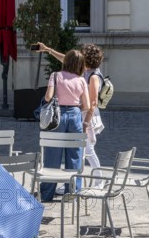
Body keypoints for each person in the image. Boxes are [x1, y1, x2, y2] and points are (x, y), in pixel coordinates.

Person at [38, 42, 105, 189]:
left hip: (87, 117)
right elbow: (66, 59)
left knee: (85, 150)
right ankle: (72, 187)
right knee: (78, 152)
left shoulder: (92, 76)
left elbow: (92, 105)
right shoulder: (82, 74)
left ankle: (99, 180)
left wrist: (85, 124)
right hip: (78, 114)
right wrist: (49, 50)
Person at [39, 49, 90, 202]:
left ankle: (47, 194)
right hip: (75, 115)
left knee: (52, 155)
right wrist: (73, 108)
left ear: (65, 61)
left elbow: (48, 97)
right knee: (75, 155)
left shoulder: (56, 76)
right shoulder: (81, 80)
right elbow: (86, 105)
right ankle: (72, 194)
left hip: (57, 116)